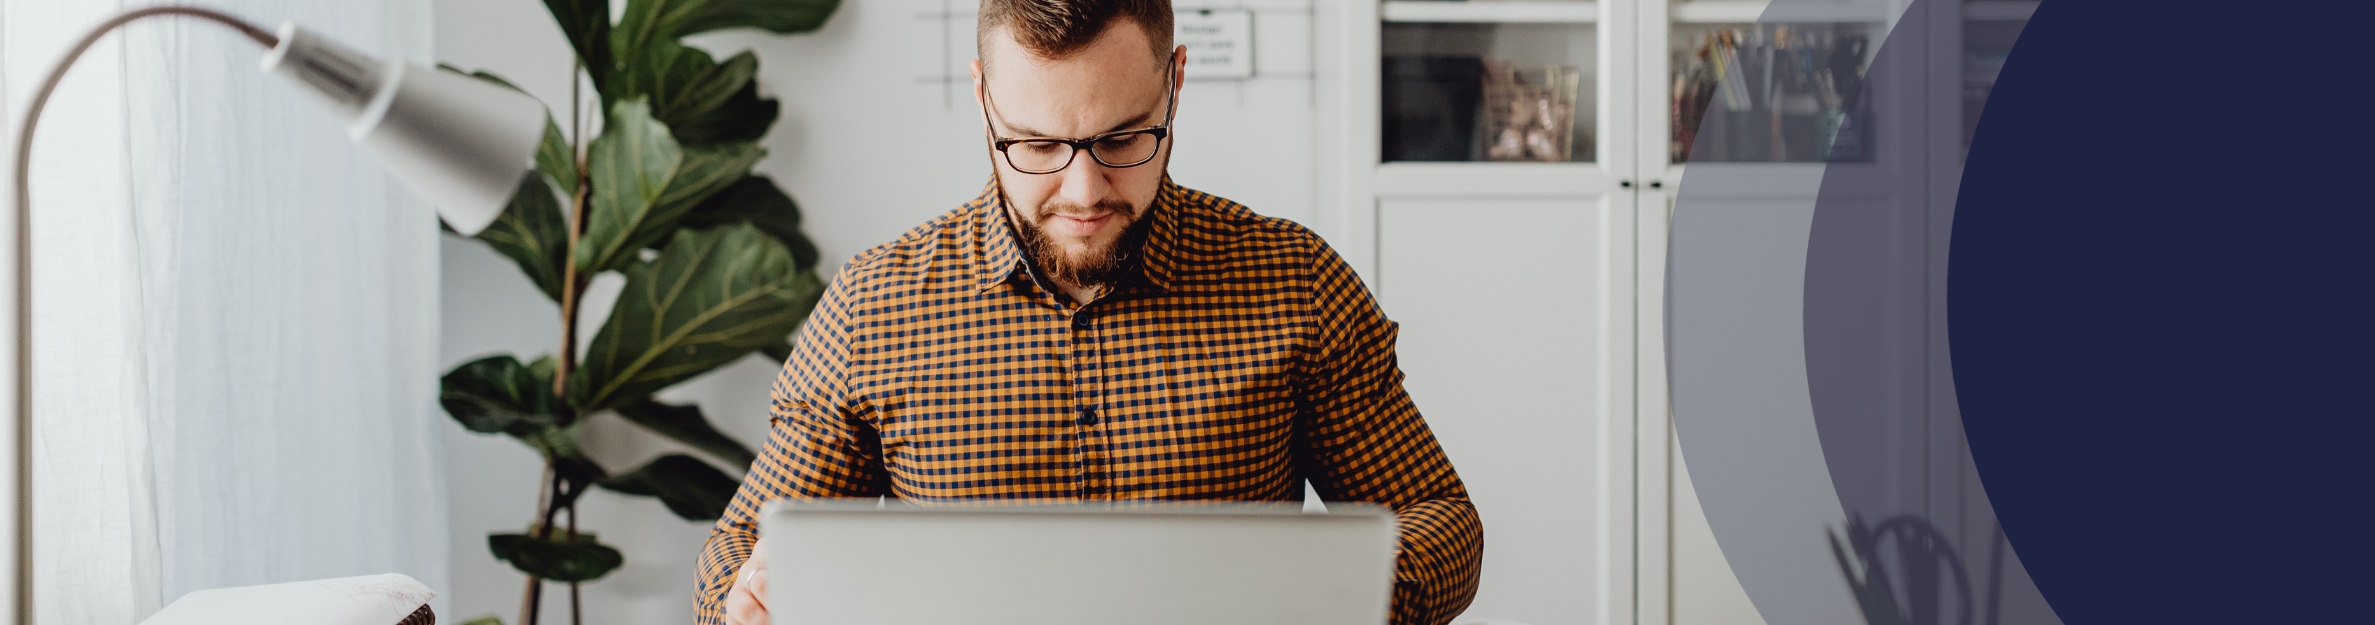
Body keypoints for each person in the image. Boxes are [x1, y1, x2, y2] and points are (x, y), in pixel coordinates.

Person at [694, 1, 1482, 623]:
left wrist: (1337, 604)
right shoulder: (874, 307)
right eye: (1034, 145)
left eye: (1121, 139)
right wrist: (746, 598)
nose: (1081, 193)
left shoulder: (1295, 283)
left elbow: (1440, 518)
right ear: (982, 99)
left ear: (1174, 83)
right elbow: (739, 546)